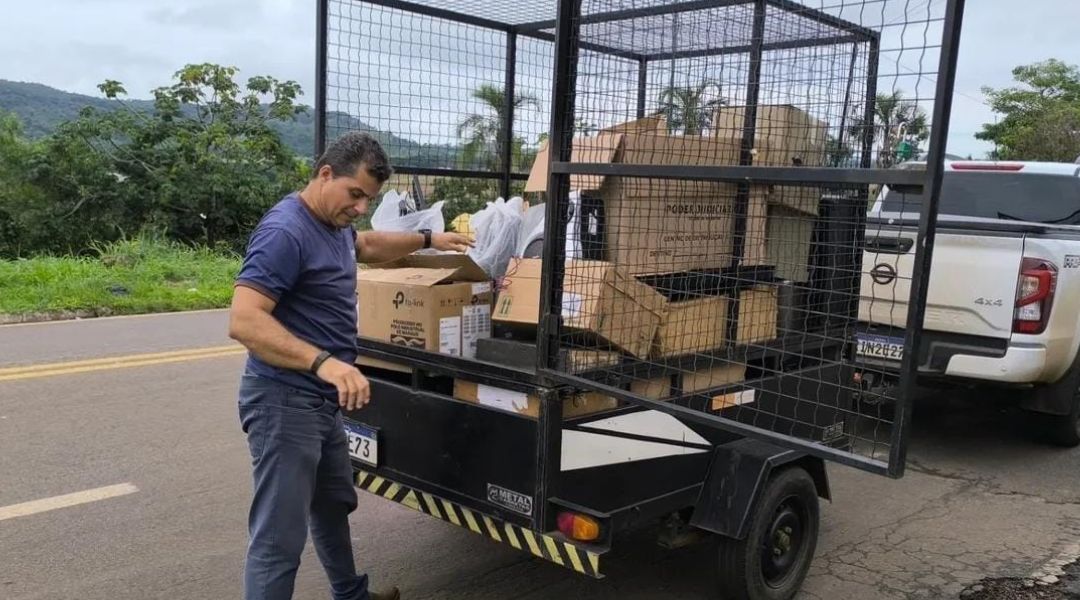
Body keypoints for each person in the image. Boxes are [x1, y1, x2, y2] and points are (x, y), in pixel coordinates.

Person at [228, 131, 471, 600]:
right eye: (355, 194)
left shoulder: (334, 225)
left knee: (332, 506)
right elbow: (243, 320)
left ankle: (351, 594)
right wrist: (324, 364)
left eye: (368, 198)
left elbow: (368, 246)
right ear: (324, 174)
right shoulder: (286, 232)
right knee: (278, 541)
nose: (360, 207)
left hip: (320, 403)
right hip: (284, 401)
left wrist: (428, 236)